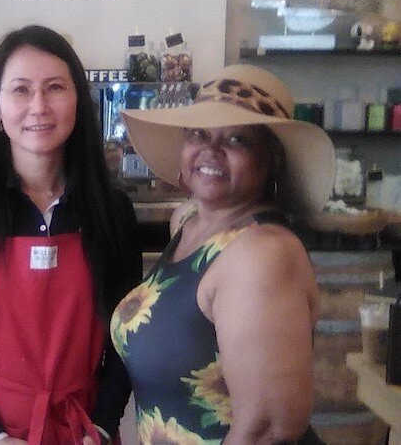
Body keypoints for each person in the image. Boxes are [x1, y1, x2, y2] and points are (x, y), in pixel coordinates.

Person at [0, 24, 142, 445]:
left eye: (55, 88)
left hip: (82, 430)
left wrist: (102, 425)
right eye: (21, 90)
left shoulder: (112, 211)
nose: (39, 106)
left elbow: (126, 335)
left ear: (78, 101)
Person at [111, 64, 335, 444]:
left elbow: (266, 430)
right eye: (198, 133)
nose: (211, 150)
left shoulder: (261, 255)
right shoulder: (189, 222)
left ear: (271, 162)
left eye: (237, 140)